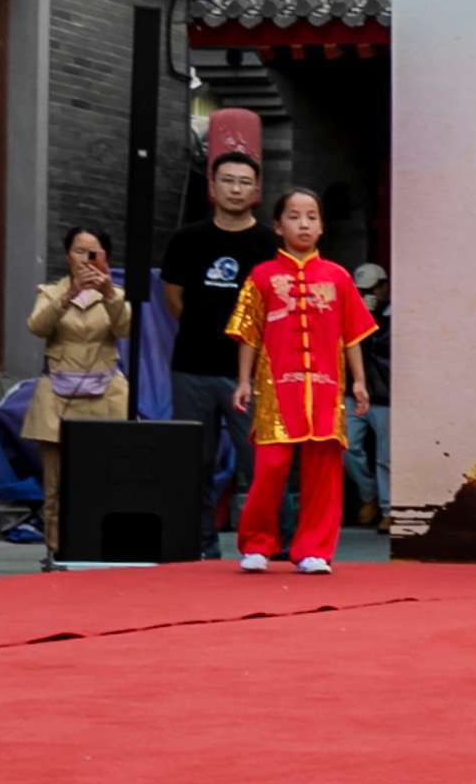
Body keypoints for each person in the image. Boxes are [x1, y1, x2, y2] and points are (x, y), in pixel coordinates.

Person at [228, 188, 375, 576]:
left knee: (323, 472)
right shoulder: (262, 277)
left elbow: (352, 336)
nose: (304, 223)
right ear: (278, 226)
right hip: (277, 389)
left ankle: (314, 549)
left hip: (325, 390)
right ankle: (258, 544)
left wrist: (358, 382)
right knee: (270, 468)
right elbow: (249, 335)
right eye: (294, 216)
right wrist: (243, 381)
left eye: (311, 216)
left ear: (322, 226)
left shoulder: (339, 278)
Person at [160, 148, 277, 557]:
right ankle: (199, 544)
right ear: (212, 187)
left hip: (249, 372)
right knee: (194, 462)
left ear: (256, 191)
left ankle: (260, 544)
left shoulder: (269, 243)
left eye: (245, 182)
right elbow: (173, 296)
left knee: (259, 461)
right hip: (192, 366)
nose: (235, 189)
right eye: (228, 180)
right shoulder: (188, 239)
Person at [23, 226, 130, 560]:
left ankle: (101, 547)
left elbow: (125, 328)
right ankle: (56, 550)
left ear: (105, 258)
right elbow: (37, 327)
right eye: (79, 251)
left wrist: (109, 291)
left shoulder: (116, 294)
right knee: (55, 484)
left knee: (104, 478)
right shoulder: (50, 291)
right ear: (67, 255)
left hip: (105, 395)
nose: (85, 259)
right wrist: (67, 296)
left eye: (93, 252)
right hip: (57, 395)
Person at [344, 261, 391, 532]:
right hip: (354, 391)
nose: (366, 295)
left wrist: (374, 319)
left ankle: (387, 509)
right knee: (347, 446)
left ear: (383, 287)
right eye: (360, 290)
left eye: (371, 289)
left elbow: (382, 348)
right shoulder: (351, 311)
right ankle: (368, 494)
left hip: (385, 394)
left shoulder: (394, 314)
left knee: (386, 457)